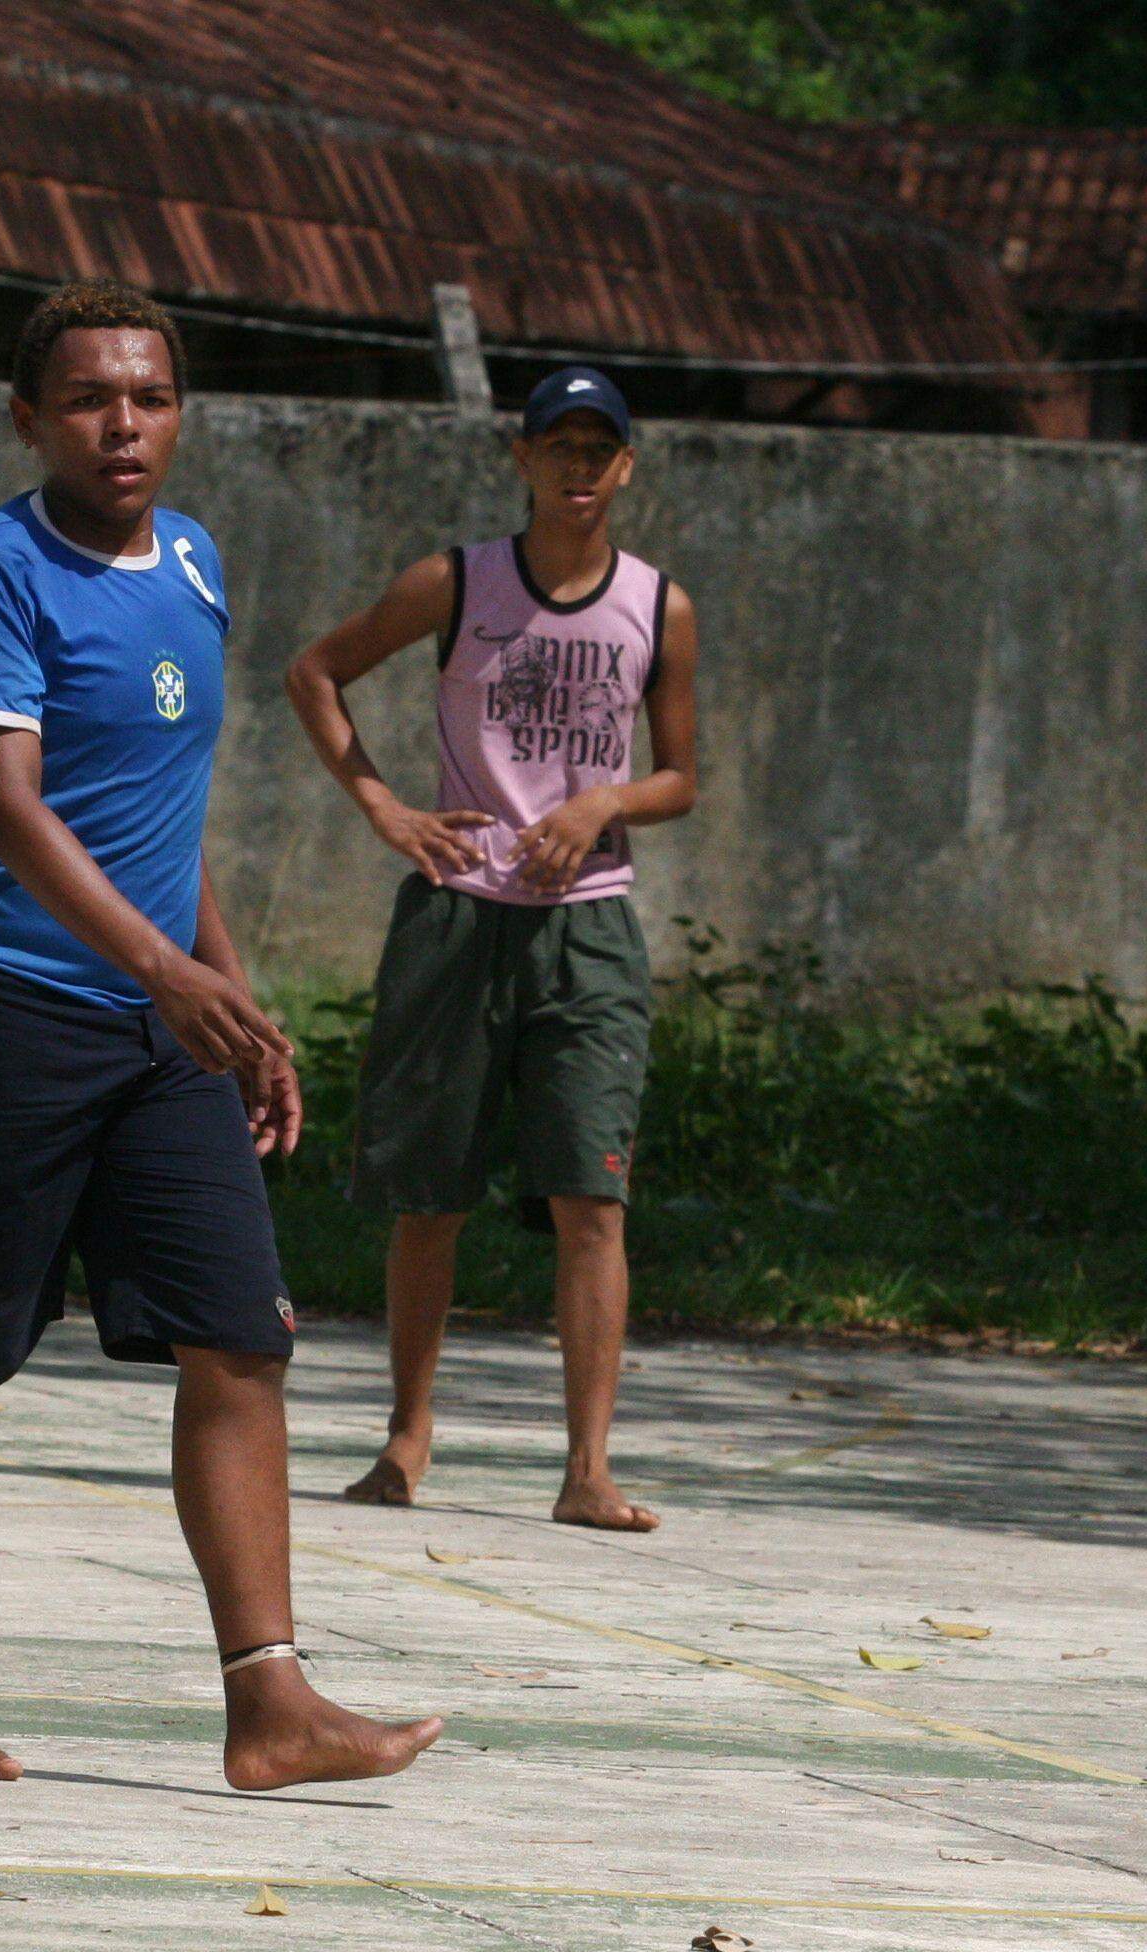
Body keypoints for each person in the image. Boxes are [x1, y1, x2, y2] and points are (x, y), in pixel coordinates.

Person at [0, 278, 443, 1791]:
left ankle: (272, 1703)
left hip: (155, 1021)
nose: (125, 426)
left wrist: (228, 1001)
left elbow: (161, 820)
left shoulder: (194, 560)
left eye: (152, 397)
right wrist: (160, 975)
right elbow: (13, 804)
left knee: (242, 1338)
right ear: (30, 416)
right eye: (93, 399)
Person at [282, 365, 698, 1532]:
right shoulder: (458, 582)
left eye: (597, 448)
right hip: (458, 910)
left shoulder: (657, 606)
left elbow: (681, 775)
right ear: (521, 458)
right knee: (431, 1195)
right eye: (556, 445)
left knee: (590, 1199)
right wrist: (384, 807)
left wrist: (601, 801)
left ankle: (587, 1468)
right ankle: (406, 1439)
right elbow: (315, 670)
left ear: (625, 466)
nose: (577, 466)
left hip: (590, 927)